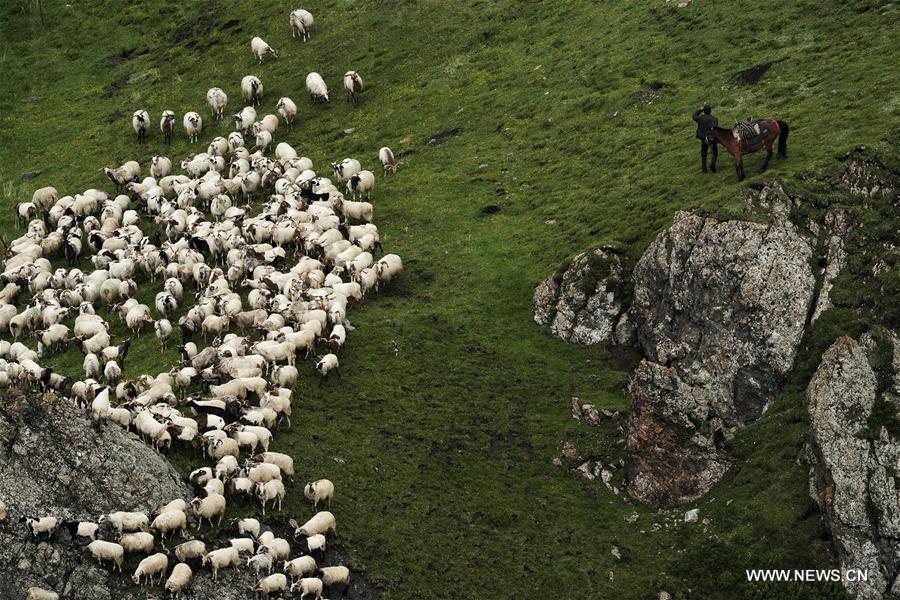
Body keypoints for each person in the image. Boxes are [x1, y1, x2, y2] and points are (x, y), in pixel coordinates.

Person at [692, 103, 718, 173]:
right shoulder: (714, 119)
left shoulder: (700, 118)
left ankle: (704, 169)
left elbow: (694, 116)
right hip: (711, 138)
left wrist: (699, 110)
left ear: (704, 111)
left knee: (703, 154)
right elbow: (715, 129)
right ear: (710, 110)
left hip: (703, 138)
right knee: (714, 152)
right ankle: (712, 164)